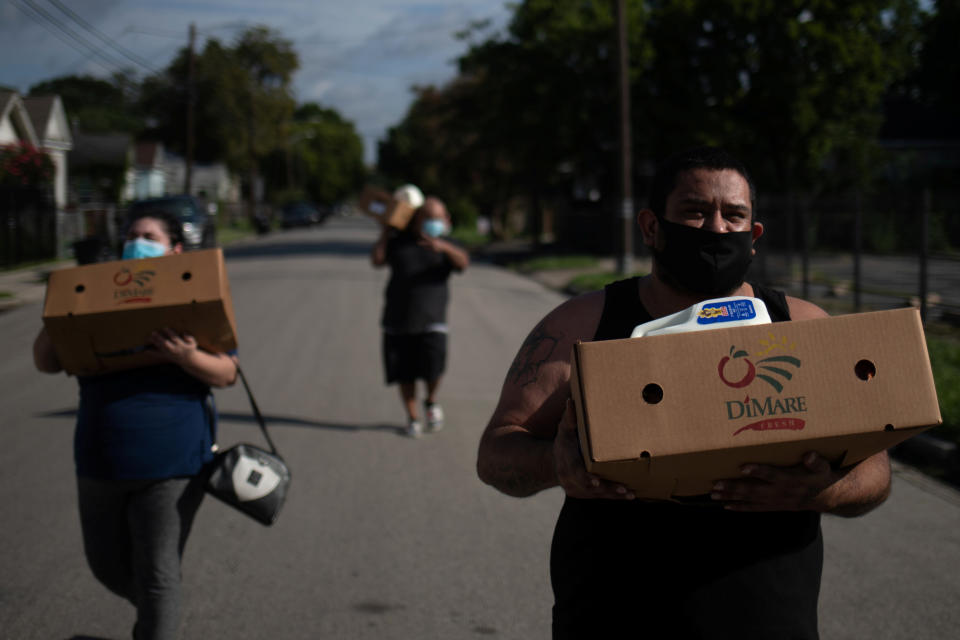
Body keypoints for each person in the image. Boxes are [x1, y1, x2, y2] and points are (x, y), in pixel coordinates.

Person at [476, 147, 891, 639]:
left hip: (769, 618)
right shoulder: (583, 326)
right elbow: (496, 452)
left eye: (733, 215)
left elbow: (875, 470)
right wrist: (557, 464)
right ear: (652, 227)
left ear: (753, 236)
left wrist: (823, 489)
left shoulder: (801, 328)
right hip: (611, 617)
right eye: (695, 212)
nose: (716, 230)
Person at [33, 210, 239, 640]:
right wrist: (68, 306)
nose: (137, 242)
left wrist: (185, 357)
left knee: (158, 572)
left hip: (174, 462)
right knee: (105, 566)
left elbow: (225, 374)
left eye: (149, 236)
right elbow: (45, 361)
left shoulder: (194, 294)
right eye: (131, 235)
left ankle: (157, 621)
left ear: (174, 250)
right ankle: (158, 611)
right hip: (100, 458)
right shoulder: (95, 292)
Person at [371, 196, 470, 437]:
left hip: (433, 320)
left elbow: (464, 263)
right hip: (398, 320)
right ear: (417, 219)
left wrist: (442, 247)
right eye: (428, 217)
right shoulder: (399, 242)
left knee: (433, 369)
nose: (433, 222)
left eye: (438, 217)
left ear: (446, 220)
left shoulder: (447, 245)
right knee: (405, 375)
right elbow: (377, 260)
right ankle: (413, 417)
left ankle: (431, 401)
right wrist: (385, 232)